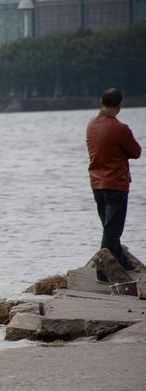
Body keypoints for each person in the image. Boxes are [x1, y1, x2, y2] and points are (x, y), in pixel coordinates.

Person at [86, 88, 141, 281]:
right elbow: (136, 152)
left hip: (96, 183)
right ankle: (103, 270)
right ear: (119, 106)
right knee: (112, 229)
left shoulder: (91, 125)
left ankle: (120, 260)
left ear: (101, 102)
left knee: (109, 227)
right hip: (115, 183)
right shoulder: (120, 128)